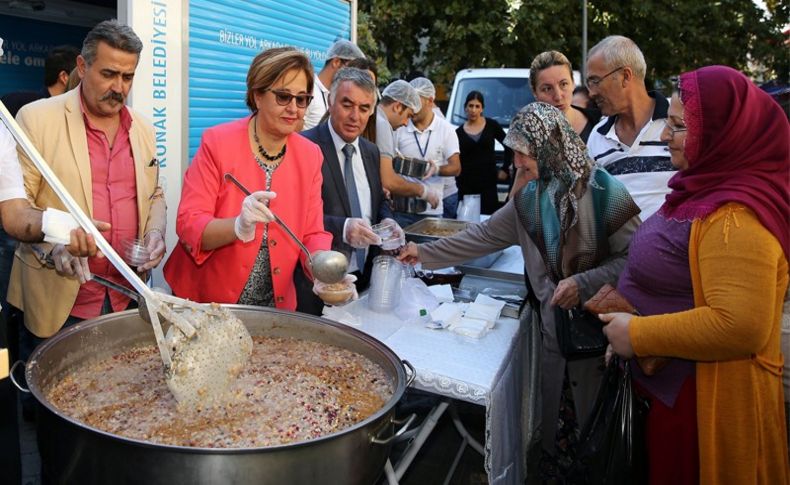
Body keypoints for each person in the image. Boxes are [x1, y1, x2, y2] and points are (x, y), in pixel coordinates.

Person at [398, 103, 640, 480]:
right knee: (555, 439)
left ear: (550, 144)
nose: (516, 160)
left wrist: (582, 283)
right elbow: (483, 236)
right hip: (554, 339)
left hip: (598, 344)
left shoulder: (604, 190)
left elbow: (634, 258)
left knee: (597, 439)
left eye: (521, 150)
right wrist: (422, 253)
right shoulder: (529, 200)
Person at [601, 66, 790, 485]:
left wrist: (637, 336)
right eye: (668, 123)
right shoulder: (702, 189)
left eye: (679, 126)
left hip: (702, 409)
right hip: (672, 394)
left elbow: (740, 325)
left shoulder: (737, 215)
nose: (666, 136)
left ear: (725, 134)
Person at [9, 20, 166, 356]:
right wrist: (57, 244)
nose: (119, 87)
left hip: (127, 296)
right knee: (52, 402)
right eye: (108, 74)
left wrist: (155, 232)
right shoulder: (35, 119)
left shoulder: (144, 129)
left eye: (128, 77)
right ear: (82, 66)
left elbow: (154, 195)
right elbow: (17, 209)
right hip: (61, 305)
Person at [163, 47, 333, 309]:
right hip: (205, 302)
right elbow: (189, 224)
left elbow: (312, 232)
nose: (293, 108)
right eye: (283, 97)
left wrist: (322, 267)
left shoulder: (310, 156)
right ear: (257, 95)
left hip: (271, 306)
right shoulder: (218, 143)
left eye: (302, 100)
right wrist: (237, 226)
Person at [297, 68, 401, 314]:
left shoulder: (370, 151)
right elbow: (293, 217)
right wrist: (343, 228)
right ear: (330, 103)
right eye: (347, 104)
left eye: (364, 108)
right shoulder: (304, 146)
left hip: (363, 280)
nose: (355, 116)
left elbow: (376, 201)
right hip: (318, 283)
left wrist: (387, 219)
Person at [585, 35, 674, 220]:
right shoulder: (597, 136)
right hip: (616, 249)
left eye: (595, 81)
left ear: (625, 76)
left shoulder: (678, 122)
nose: (591, 93)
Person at [510, 51, 603, 199]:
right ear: (535, 92)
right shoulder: (528, 133)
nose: (558, 96)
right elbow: (515, 201)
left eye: (564, 84)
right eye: (547, 88)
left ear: (573, 83)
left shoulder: (600, 123)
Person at [395, 77, 460, 224]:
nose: (412, 107)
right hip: (401, 211)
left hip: (432, 210)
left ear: (430, 101)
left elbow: (456, 167)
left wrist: (436, 169)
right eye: (409, 102)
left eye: (416, 102)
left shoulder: (446, 130)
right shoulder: (400, 127)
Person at [375, 80, 440, 210]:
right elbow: (389, 181)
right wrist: (423, 191)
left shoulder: (375, 118)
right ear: (397, 106)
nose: (406, 123)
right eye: (408, 116)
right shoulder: (383, 125)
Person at [454, 91, 510, 215]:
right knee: (467, 220)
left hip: (488, 184)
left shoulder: (492, 126)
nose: (473, 110)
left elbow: (509, 146)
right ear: (465, 108)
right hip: (466, 186)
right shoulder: (458, 133)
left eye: (477, 106)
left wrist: (505, 168)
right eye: (470, 106)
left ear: (482, 109)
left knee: (489, 220)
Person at [1, 44, 80, 117]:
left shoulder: (76, 114)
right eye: (80, 73)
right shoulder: (16, 102)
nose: (83, 80)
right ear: (64, 77)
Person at [302, 39, 365, 130]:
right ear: (336, 62)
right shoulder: (309, 88)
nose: (352, 76)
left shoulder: (336, 95)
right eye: (350, 69)